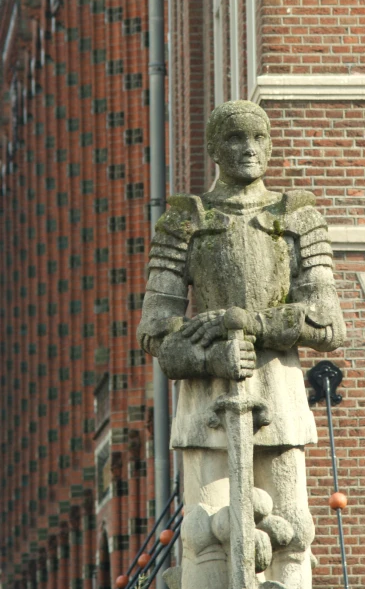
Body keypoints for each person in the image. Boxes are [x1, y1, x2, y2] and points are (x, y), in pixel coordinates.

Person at [137, 101, 346, 589]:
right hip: (207, 403)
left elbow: (328, 323)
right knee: (205, 533)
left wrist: (249, 322)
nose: (248, 149)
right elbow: (155, 328)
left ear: (270, 144)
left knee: (292, 530)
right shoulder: (186, 221)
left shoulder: (297, 218)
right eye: (234, 138)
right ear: (213, 148)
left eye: (257, 138)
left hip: (278, 395)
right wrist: (208, 355)